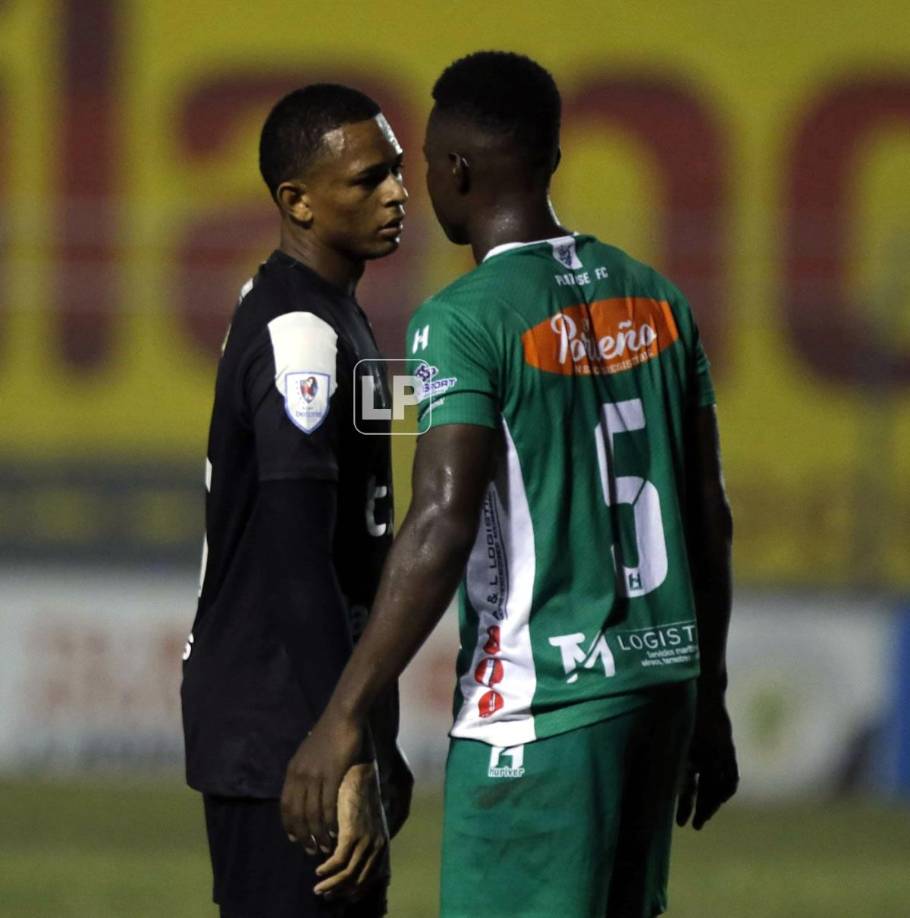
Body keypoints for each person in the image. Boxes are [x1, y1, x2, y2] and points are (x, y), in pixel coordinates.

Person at [282, 52, 738, 917]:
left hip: (542, 710)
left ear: (455, 171)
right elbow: (707, 517)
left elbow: (443, 521)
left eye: (422, 163)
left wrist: (345, 713)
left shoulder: (465, 319)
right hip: (659, 690)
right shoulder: (660, 301)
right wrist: (707, 695)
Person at [180, 83, 413, 918]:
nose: (397, 192)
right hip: (285, 723)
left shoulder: (333, 314)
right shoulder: (301, 335)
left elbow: (359, 537)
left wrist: (373, 731)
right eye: (367, 179)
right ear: (298, 202)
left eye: (395, 169)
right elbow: (296, 559)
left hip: (308, 713)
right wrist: (342, 739)